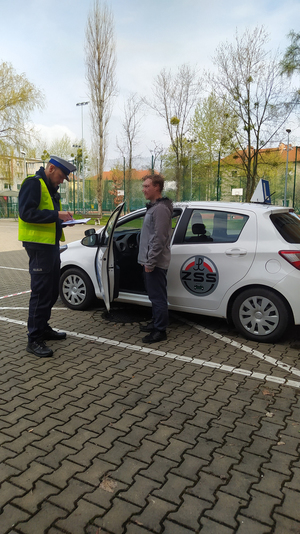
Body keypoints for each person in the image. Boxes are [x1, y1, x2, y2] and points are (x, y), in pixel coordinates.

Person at [18, 155, 76, 358]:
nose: (62, 181)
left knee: (52, 292)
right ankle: (34, 339)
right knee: (41, 293)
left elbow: (48, 217)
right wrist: (56, 216)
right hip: (38, 247)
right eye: (61, 176)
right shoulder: (33, 184)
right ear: (51, 168)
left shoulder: (50, 189)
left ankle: (42, 328)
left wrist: (65, 221)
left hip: (51, 246)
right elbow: (26, 213)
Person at [138, 173, 173, 344]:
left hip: (155, 263)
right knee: (154, 296)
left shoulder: (160, 209)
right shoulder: (155, 207)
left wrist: (150, 262)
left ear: (157, 187)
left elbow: (159, 238)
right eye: (143, 186)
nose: (143, 189)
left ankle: (160, 330)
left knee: (158, 297)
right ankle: (156, 323)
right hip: (150, 261)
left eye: (147, 186)